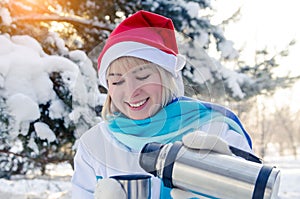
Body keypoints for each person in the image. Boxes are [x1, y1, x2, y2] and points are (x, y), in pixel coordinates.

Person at [71, 10, 254, 199]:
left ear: (167, 77)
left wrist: (232, 180)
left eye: (142, 76)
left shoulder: (214, 129)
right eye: (117, 82)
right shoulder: (95, 144)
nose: (132, 91)